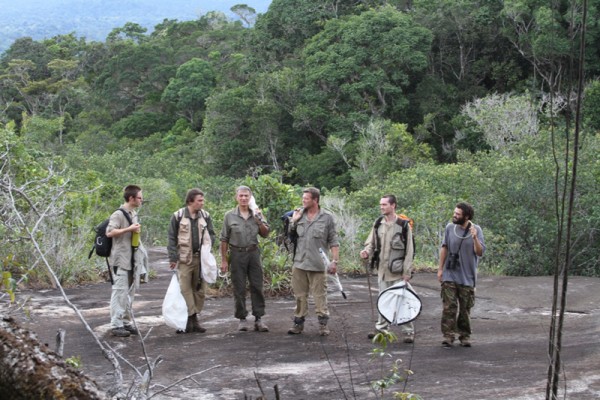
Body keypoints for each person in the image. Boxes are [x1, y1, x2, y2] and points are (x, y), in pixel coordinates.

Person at [360, 195, 415, 343]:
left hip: (397, 271)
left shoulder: (404, 225)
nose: (381, 207)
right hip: (382, 270)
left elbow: (409, 250)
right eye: (381, 204)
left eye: (384, 204)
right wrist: (366, 252)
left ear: (393, 205)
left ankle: (408, 332)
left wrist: (406, 272)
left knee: (403, 301)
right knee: (383, 300)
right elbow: (371, 243)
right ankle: (382, 329)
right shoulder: (378, 223)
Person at [287, 187, 340, 336]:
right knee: (299, 295)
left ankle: (323, 324)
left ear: (315, 200)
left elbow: (333, 241)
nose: (303, 201)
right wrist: (294, 221)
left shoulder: (327, 218)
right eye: (303, 198)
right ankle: (298, 324)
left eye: (306, 199)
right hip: (300, 262)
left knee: (320, 295)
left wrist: (334, 261)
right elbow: (289, 236)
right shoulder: (298, 215)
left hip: (318, 264)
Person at [220, 186, 270, 332]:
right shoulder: (229, 216)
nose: (243, 198)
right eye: (241, 196)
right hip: (236, 254)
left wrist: (259, 220)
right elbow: (224, 239)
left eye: (246, 196)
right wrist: (224, 260)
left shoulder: (256, 213)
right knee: (239, 287)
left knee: (257, 286)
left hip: (253, 253)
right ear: (236, 197)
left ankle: (259, 318)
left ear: (250, 198)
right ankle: (242, 318)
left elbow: (266, 233)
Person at [437, 202, 485, 348]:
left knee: (465, 309)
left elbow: (480, 252)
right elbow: (444, 248)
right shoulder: (450, 228)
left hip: (467, 276)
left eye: (458, 214)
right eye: (454, 213)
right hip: (450, 273)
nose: (454, 216)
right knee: (449, 306)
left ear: (466, 216)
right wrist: (440, 269)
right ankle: (448, 335)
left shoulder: (476, 229)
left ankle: (464, 335)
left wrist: (475, 238)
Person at [167, 188, 216, 334]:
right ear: (190, 201)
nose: (202, 203)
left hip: (201, 259)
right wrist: (173, 257)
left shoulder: (205, 216)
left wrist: (208, 249)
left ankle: (194, 319)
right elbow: (171, 237)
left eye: (202, 200)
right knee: (185, 289)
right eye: (199, 200)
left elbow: (212, 234)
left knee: (200, 289)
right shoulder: (178, 216)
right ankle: (190, 318)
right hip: (184, 259)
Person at [106, 185, 144, 337]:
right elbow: (109, 232)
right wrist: (129, 229)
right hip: (120, 259)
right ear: (131, 198)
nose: (142, 200)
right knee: (119, 292)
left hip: (131, 259)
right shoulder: (118, 214)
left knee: (129, 292)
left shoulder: (133, 213)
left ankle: (126, 322)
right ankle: (116, 324)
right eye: (140, 197)